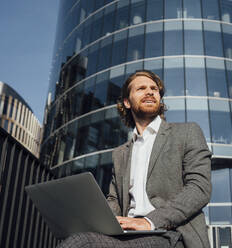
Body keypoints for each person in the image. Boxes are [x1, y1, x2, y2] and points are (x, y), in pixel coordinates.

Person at [58, 70, 212, 248]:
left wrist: (149, 221)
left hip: (171, 234)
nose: (150, 91)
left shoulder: (186, 132)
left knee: (81, 243)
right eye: (141, 88)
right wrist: (90, 219)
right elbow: (114, 201)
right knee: (80, 236)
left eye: (154, 89)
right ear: (127, 102)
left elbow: (199, 188)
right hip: (127, 235)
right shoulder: (120, 153)